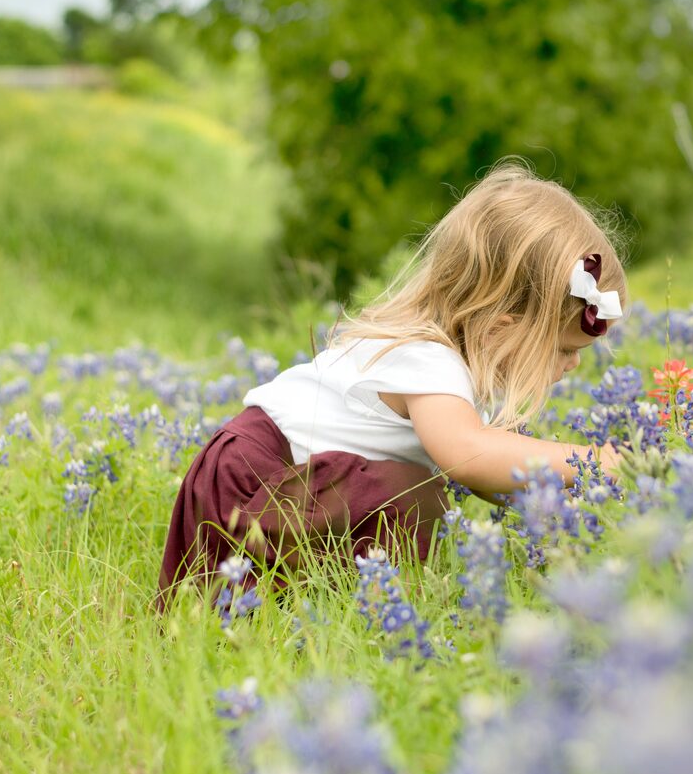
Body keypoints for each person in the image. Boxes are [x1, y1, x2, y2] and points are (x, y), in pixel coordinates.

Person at [157, 160, 626, 609]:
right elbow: (471, 457)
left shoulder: (443, 367)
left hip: (281, 482)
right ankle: (351, 612)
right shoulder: (428, 359)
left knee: (414, 493)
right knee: (415, 497)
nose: (572, 366)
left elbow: (497, 480)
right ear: (501, 326)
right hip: (255, 482)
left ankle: (324, 609)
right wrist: (592, 462)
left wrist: (581, 511)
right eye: (565, 350)